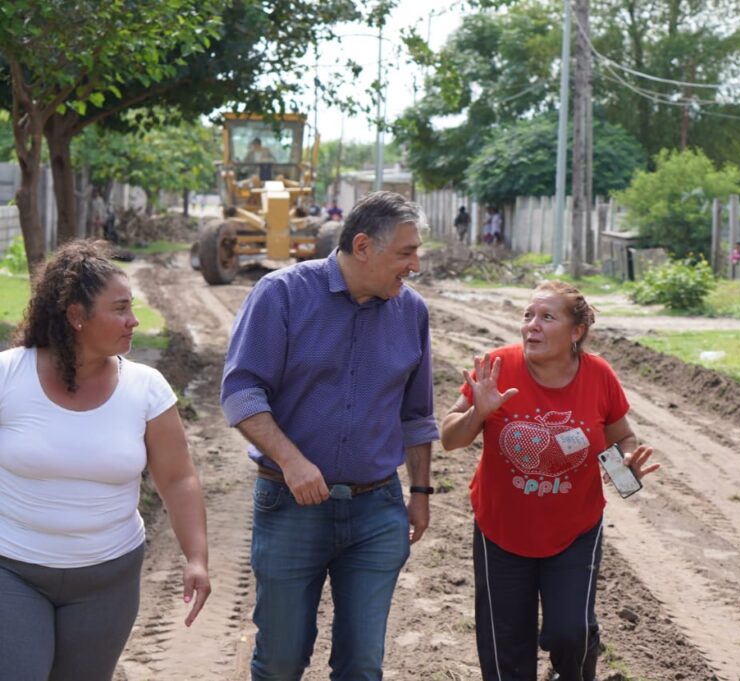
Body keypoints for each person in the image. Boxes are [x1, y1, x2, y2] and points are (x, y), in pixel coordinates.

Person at [221, 190, 437, 681]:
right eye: (406, 253)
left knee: (362, 665)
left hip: (377, 512)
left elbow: (417, 414)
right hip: (290, 506)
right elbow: (241, 392)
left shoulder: (412, 312)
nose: (416, 265)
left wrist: (420, 493)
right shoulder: (281, 294)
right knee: (280, 660)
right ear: (363, 247)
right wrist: (292, 460)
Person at [0, 240, 210, 681]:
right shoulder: (8, 375)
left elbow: (177, 479)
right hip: (12, 570)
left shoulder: (147, 388)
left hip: (107, 580)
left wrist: (196, 557)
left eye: (132, 307)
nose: (133, 321)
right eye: (119, 309)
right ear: (76, 316)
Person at [440, 280, 658, 681]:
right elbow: (450, 438)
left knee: (570, 633)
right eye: (527, 316)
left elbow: (621, 434)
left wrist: (626, 461)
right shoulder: (496, 367)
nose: (531, 326)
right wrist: (478, 413)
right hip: (501, 530)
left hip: (574, 529)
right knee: (506, 647)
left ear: (576, 332)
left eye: (546, 317)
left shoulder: (598, 376)